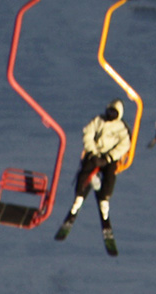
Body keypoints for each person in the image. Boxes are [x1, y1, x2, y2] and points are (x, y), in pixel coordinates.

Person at [55, 100, 131, 249]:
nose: (110, 115)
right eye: (109, 111)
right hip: (95, 154)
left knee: (110, 177)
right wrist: (94, 152)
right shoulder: (98, 121)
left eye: (113, 113)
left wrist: (108, 157)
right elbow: (88, 134)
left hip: (109, 158)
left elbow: (125, 145)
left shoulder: (121, 128)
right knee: (84, 174)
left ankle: (104, 201)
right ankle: (78, 200)